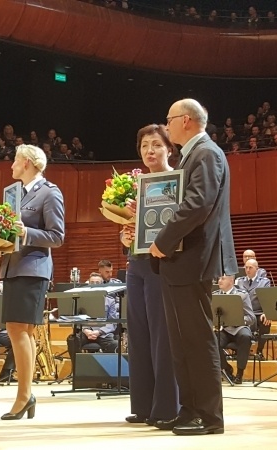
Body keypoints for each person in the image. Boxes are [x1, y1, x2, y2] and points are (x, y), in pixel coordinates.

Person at [150, 98, 237, 436]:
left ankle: (209, 416)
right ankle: (189, 410)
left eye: (169, 120)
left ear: (185, 120)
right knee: (182, 342)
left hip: (192, 258)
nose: (166, 125)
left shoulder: (207, 154)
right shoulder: (195, 155)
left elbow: (197, 204)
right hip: (181, 260)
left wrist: (162, 240)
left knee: (197, 340)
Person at [119, 124, 179, 426]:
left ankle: (167, 408)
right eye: (144, 146)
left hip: (163, 266)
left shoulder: (177, 182)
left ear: (169, 148)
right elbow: (130, 231)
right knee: (139, 335)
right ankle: (142, 406)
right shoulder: (136, 185)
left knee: (162, 338)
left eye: (156, 144)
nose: (150, 151)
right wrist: (125, 237)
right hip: (136, 265)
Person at [0, 144, 65, 420]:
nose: (11, 165)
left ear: (27, 162)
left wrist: (26, 232)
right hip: (13, 267)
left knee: (18, 329)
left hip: (33, 268)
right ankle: (25, 395)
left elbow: (57, 236)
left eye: (15, 160)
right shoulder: (16, 195)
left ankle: (24, 395)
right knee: (18, 330)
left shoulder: (49, 192)